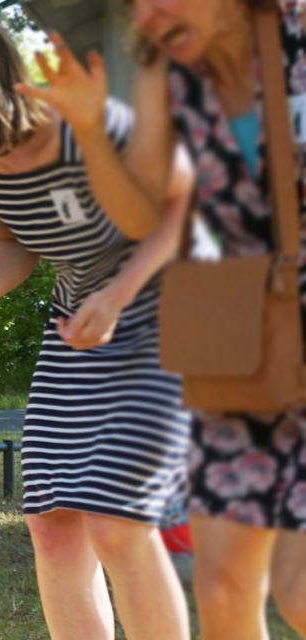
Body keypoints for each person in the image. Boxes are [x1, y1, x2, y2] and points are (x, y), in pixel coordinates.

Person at [0, 6, 196, 639]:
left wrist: (121, 294)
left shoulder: (78, 123)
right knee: (52, 521)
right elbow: (12, 240)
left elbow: (184, 204)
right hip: (80, 319)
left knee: (117, 520)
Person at [46, 0, 306, 635]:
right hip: (235, 329)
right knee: (224, 588)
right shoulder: (171, 69)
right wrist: (87, 127)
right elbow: (146, 216)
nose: (145, 11)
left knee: (298, 585)